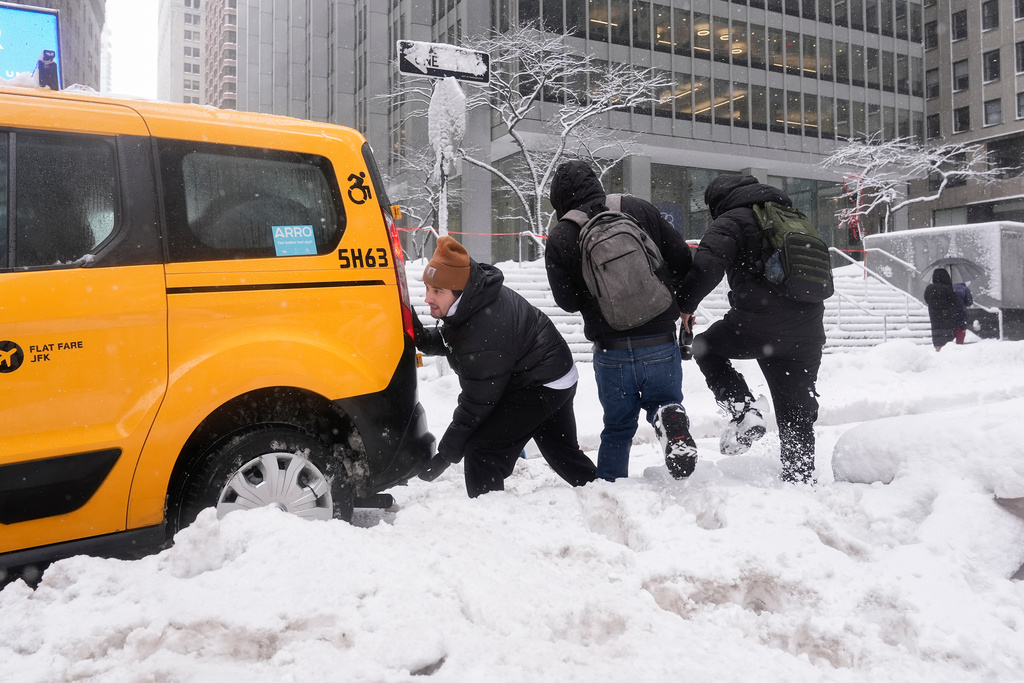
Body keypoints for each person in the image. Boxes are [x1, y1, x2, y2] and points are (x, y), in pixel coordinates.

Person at [545, 160, 697, 482]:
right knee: (665, 400)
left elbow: (567, 302)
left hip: (611, 349)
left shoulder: (560, 235)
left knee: (617, 427)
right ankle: (668, 416)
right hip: (659, 340)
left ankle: (612, 491)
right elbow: (683, 258)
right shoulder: (637, 208)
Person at [413, 236, 597, 497]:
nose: (427, 298)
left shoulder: (483, 329)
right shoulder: (473, 300)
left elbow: (476, 405)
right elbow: (453, 340)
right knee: (562, 452)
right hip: (554, 372)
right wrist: (420, 337)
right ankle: (598, 491)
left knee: (483, 452)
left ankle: (491, 519)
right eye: (428, 288)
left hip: (540, 381)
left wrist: (445, 456)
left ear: (458, 291)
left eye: (437, 291)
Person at [677, 174, 826, 485]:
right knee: (795, 410)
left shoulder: (733, 219)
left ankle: (743, 408)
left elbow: (706, 267)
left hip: (759, 325)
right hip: (808, 331)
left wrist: (685, 306)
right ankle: (800, 480)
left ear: (717, 202)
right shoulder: (794, 218)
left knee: (705, 346)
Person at [924, 268, 957, 351]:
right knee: (946, 332)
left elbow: (926, 299)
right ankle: (947, 348)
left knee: (936, 330)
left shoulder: (929, 288)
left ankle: (938, 347)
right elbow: (954, 300)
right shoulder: (947, 288)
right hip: (947, 315)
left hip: (934, 315)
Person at [952, 280, 974, 345]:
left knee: (951, 328)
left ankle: (950, 345)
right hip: (961, 312)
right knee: (960, 328)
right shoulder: (965, 289)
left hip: (950, 312)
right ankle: (959, 343)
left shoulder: (949, 287)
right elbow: (969, 302)